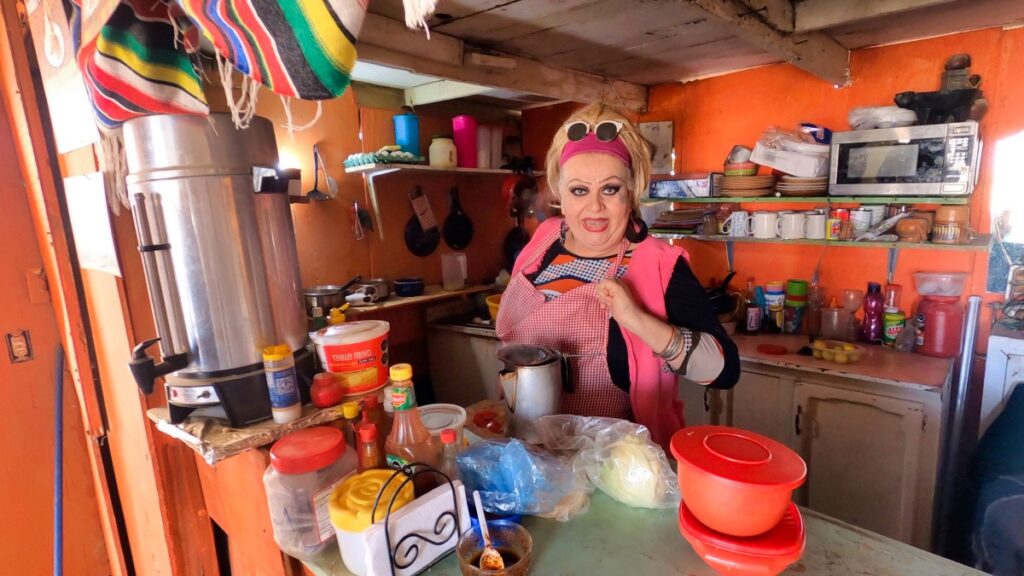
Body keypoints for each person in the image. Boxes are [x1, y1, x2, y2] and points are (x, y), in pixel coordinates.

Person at [496, 102, 740, 449]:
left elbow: (725, 371)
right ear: (560, 194)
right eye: (579, 190)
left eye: (610, 189)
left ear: (631, 192)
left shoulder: (658, 263)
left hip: (612, 471)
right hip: (525, 452)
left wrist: (636, 320)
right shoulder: (543, 240)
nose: (594, 207)